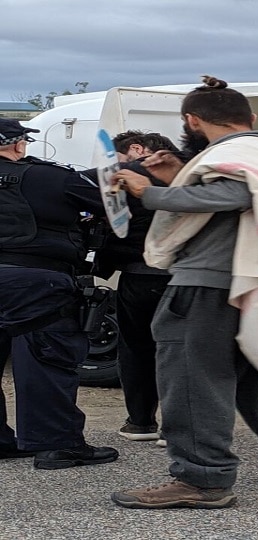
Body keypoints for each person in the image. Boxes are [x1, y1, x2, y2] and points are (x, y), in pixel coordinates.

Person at [109, 77, 258, 510]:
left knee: (192, 375)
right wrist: (179, 178)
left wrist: (151, 192)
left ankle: (202, 478)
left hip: (211, 279)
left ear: (192, 120)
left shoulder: (236, 154)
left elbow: (236, 192)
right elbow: (251, 194)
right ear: (252, 118)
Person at [0, 118, 119, 468]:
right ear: (19, 144)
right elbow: (115, 210)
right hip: (34, 280)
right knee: (46, 357)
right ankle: (57, 443)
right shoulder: (50, 177)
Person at [84, 131, 181, 445]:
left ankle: (140, 422)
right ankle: (178, 426)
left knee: (137, 349)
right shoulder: (192, 171)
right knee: (180, 351)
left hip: (138, 273)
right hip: (183, 274)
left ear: (138, 149)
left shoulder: (130, 174)